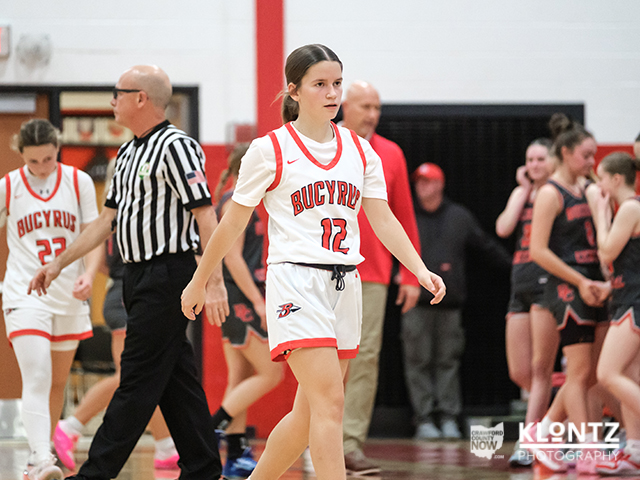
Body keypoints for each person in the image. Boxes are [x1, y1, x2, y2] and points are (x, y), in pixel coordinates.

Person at [180, 44, 446, 480]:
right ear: (294, 90)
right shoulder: (270, 150)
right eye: (320, 84)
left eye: (337, 83)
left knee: (308, 415)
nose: (332, 93)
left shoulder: (361, 151)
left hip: (345, 285)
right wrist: (200, 279)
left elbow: (382, 218)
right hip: (296, 284)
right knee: (331, 403)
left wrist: (419, 268)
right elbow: (231, 224)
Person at [28, 65, 228, 480]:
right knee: (177, 380)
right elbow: (105, 222)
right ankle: (205, 470)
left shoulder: (177, 146)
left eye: (118, 93)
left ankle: (93, 474)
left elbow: (206, 216)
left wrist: (214, 282)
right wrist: (59, 262)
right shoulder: (127, 153)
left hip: (169, 274)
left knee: (135, 379)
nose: (112, 100)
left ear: (141, 98)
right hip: (134, 279)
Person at [53, 160, 180, 472]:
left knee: (145, 375)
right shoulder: (131, 208)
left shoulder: (112, 210)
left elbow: (102, 260)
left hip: (122, 292)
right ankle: (70, 426)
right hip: (127, 296)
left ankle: (166, 445)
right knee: (131, 376)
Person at [0, 119, 101, 480]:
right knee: (38, 374)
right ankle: (42, 457)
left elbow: (94, 235)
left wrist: (89, 274)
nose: (42, 167)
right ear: (21, 155)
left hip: (67, 293)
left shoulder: (78, 181)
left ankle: (39, 456)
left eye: (48, 158)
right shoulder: (9, 187)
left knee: (57, 381)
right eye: (33, 161)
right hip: (24, 293)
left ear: (58, 149)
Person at [339, 80, 421, 475]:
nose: (372, 114)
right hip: (320, 268)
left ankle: (349, 443)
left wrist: (411, 274)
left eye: (377, 107)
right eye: (365, 106)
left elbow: (403, 214)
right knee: (318, 355)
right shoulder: (323, 143)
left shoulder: (391, 153)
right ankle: (316, 438)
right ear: (345, 106)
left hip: (372, 273)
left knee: (364, 357)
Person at [526, 113, 610, 474]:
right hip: (567, 286)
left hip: (594, 283)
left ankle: (542, 432)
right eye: (585, 155)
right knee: (577, 372)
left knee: (591, 373)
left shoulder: (589, 189)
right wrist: (579, 281)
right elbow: (537, 251)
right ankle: (588, 448)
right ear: (565, 152)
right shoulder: (550, 193)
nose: (591, 162)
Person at [402, 162, 511, 441]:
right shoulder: (406, 216)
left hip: (450, 305)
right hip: (416, 303)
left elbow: (485, 246)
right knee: (418, 362)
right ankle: (424, 419)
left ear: (440, 184)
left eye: (427, 181)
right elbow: (387, 246)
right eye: (418, 182)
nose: (421, 187)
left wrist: (516, 267)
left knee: (447, 362)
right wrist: (394, 274)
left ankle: (449, 417)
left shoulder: (458, 216)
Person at [210, 144, 284, 478]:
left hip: (236, 296)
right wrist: (257, 300)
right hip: (239, 297)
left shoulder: (245, 199)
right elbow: (232, 257)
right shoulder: (234, 201)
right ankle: (211, 429)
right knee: (272, 373)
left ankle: (236, 454)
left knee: (239, 377)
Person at [495, 139, 558, 467]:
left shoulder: (556, 193)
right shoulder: (523, 194)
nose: (534, 165)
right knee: (520, 372)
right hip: (520, 285)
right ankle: (556, 416)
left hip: (547, 285)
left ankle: (529, 442)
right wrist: (522, 190)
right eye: (529, 159)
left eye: (540, 159)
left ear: (554, 161)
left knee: (539, 369)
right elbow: (503, 227)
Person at [591, 152, 640, 475]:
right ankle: (635, 451)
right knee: (631, 377)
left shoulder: (631, 207)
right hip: (626, 296)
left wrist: (599, 213)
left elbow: (606, 251)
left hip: (635, 300)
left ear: (616, 179)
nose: (600, 186)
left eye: (602, 179)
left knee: (607, 373)